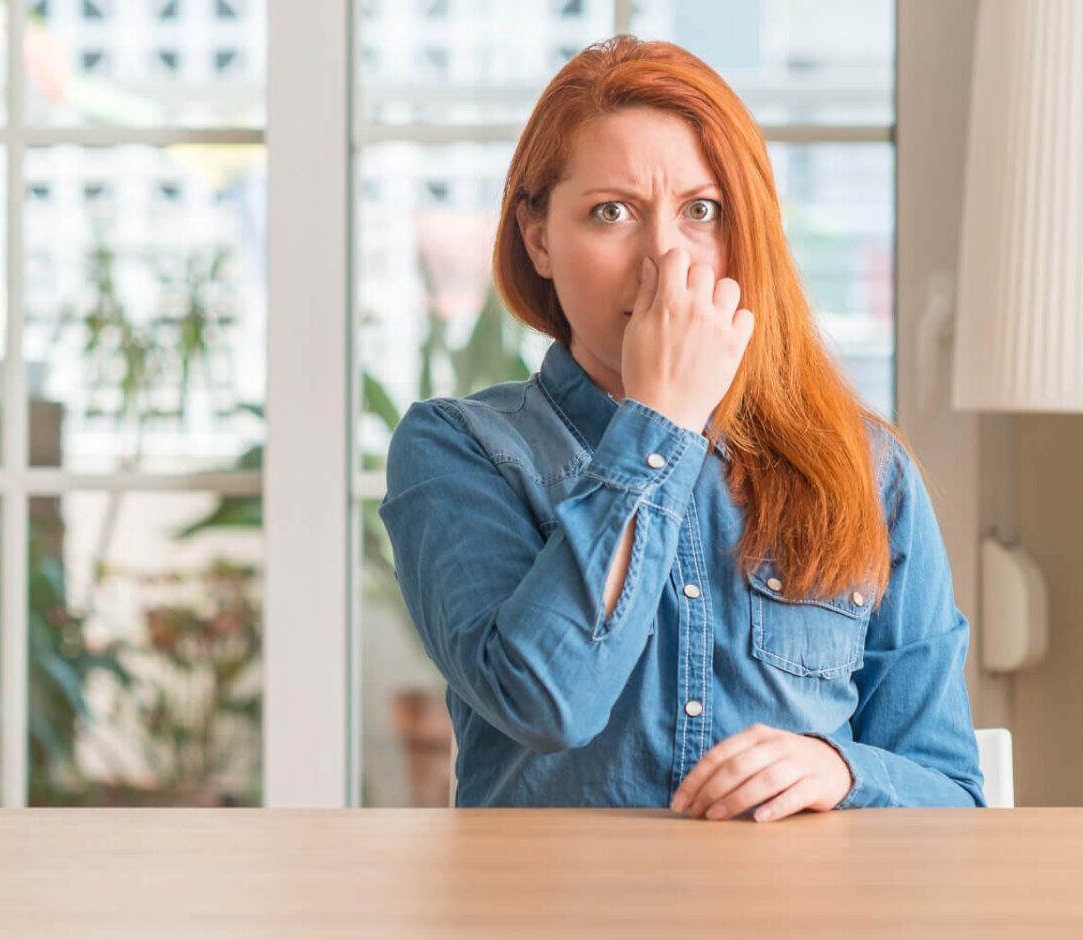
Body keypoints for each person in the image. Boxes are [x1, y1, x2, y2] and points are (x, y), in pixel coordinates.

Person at [378, 36, 986, 821]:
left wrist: (841, 771)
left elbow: (951, 791)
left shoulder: (867, 468)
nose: (664, 258)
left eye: (702, 211)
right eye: (612, 212)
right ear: (538, 239)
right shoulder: (460, 451)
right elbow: (545, 701)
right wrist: (660, 418)